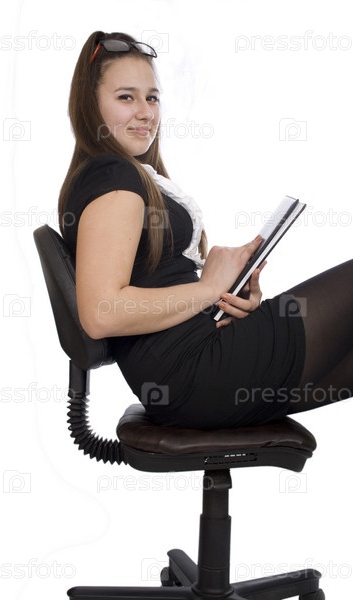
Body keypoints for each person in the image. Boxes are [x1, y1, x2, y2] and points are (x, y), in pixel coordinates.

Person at [58, 30, 352, 429]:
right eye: (126, 97)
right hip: (196, 371)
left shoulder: (128, 176)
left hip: (196, 367)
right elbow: (101, 313)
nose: (145, 112)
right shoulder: (112, 178)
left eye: (152, 98)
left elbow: (152, 287)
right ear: (90, 105)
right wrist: (209, 289)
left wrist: (227, 297)